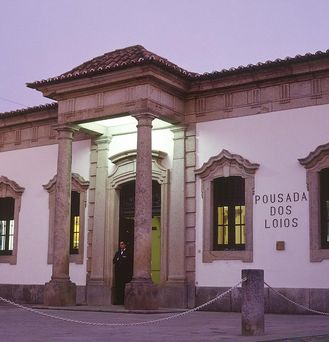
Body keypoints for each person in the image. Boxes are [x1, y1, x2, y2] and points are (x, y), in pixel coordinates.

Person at [112, 241, 132, 305]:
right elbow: (114, 260)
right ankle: (118, 301)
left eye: (122, 244)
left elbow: (128, 262)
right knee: (118, 287)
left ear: (125, 245)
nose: (121, 245)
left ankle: (124, 301)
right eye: (120, 244)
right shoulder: (117, 253)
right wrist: (118, 259)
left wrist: (119, 259)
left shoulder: (128, 253)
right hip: (118, 273)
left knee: (124, 286)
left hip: (125, 273)